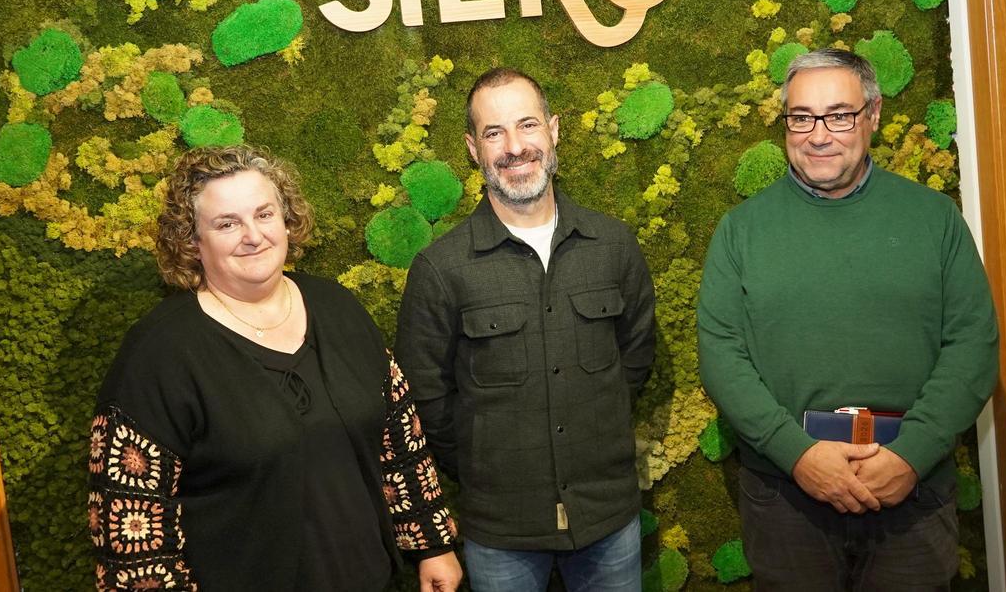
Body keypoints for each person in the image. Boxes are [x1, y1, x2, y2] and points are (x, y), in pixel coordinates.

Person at [88, 145, 462, 591]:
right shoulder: (159, 354)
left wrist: (432, 545)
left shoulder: (339, 308)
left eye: (264, 214)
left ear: (286, 219)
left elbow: (399, 440)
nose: (253, 235)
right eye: (227, 223)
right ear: (191, 240)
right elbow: (131, 524)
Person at [698, 48, 999, 591]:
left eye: (839, 115)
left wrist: (912, 455)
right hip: (787, 499)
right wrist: (799, 455)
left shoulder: (935, 220)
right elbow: (721, 355)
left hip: (912, 493)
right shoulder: (741, 230)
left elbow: (973, 344)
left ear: (873, 115)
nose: (819, 135)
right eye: (801, 117)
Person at [395, 68, 656, 591]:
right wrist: (484, 463)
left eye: (528, 125)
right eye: (494, 133)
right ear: (474, 149)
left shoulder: (613, 245)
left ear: (554, 131)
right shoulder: (441, 269)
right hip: (501, 532)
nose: (515, 147)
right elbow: (425, 398)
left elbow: (634, 360)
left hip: (608, 518)